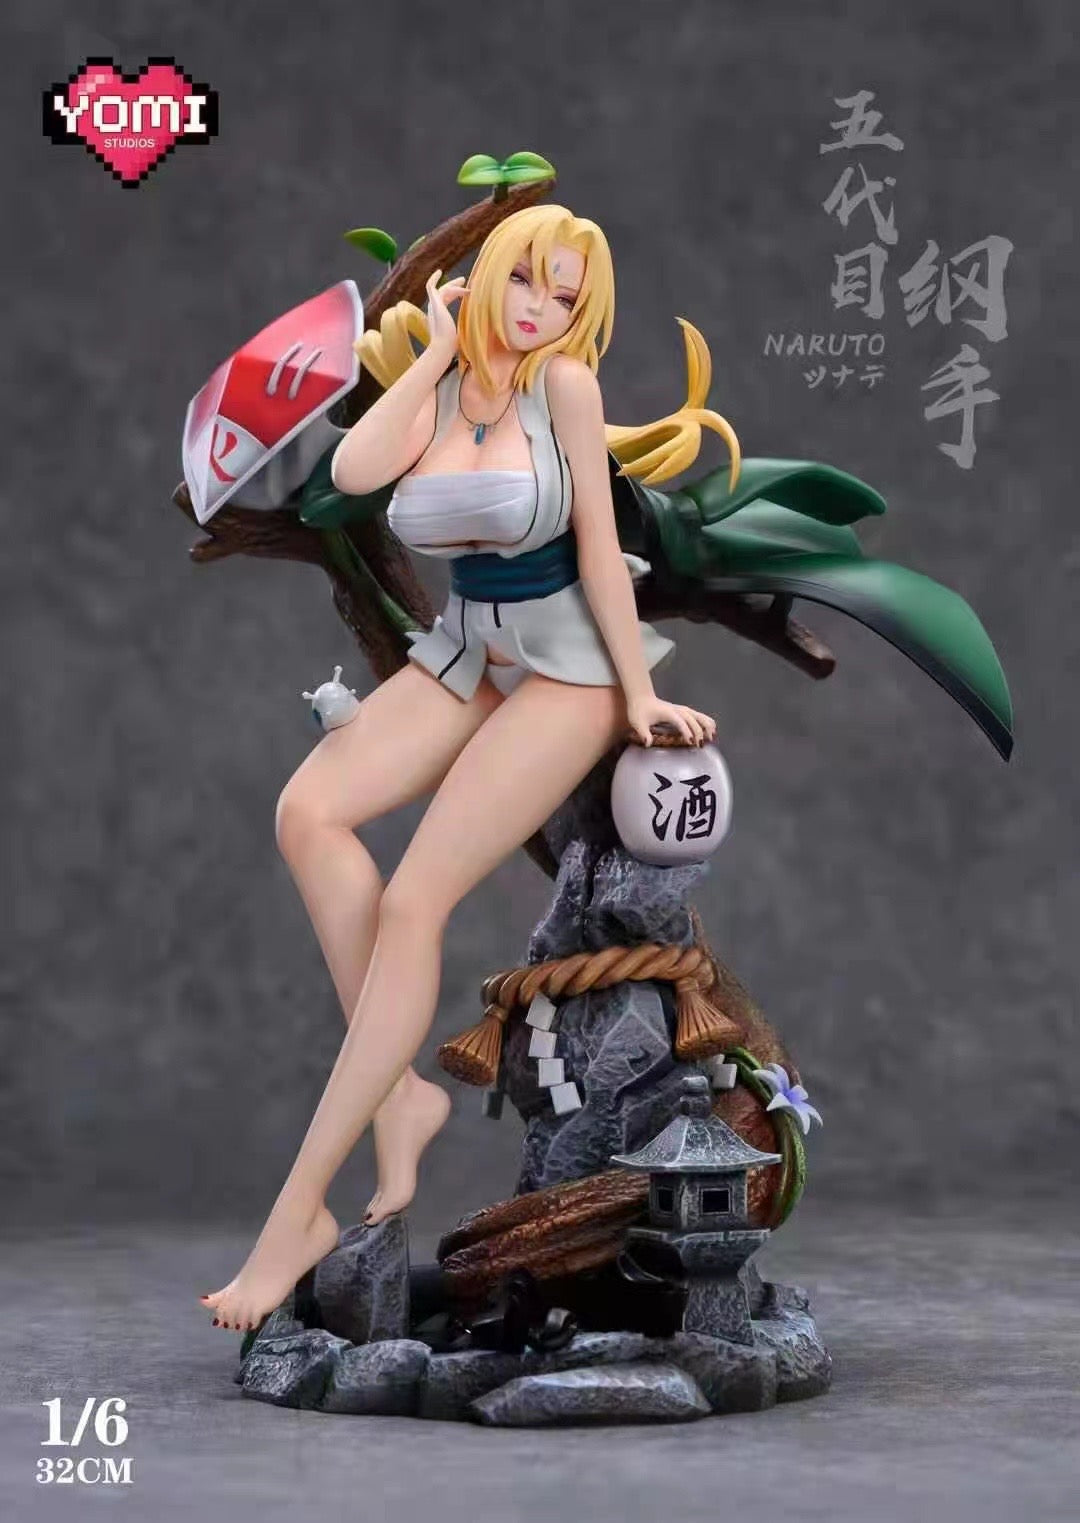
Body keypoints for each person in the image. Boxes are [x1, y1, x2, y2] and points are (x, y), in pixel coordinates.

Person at [199, 203, 740, 1333]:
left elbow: (598, 547)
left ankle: (299, 1209)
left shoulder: (565, 390)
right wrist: (438, 351)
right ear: (491, 273)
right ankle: (395, 1093)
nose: (540, 309)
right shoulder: (445, 383)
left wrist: (638, 693)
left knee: (415, 900)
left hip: (568, 668)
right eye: (527, 281)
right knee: (307, 812)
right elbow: (353, 466)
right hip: (465, 650)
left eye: (566, 295)